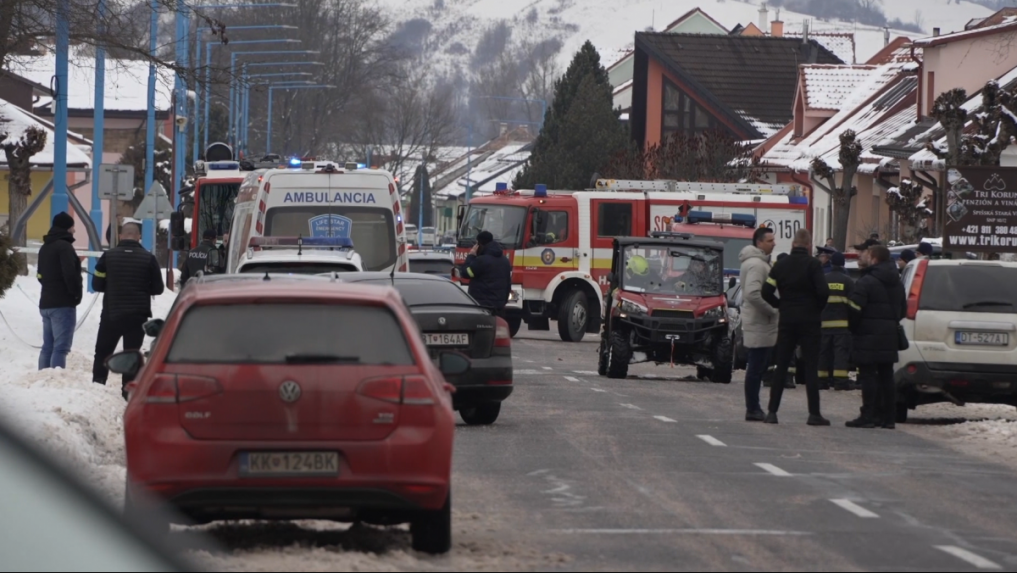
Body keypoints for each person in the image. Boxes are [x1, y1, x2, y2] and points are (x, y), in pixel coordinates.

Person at [762, 228, 830, 426]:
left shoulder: (780, 265)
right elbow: (823, 292)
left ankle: (772, 412)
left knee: (781, 365)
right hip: (810, 321)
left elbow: (766, 291)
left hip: (787, 319)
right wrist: (816, 309)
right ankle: (814, 413)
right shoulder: (813, 265)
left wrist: (780, 305)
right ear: (809, 246)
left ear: (793, 245)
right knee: (810, 366)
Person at [92, 223, 165, 399]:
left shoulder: (108, 256)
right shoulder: (148, 259)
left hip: (112, 313)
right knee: (132, 352)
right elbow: (158, 288)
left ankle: (98, 384)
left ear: (121, 236)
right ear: (139, 236)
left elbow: (97, 284)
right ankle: (127, 389)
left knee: (103, 350)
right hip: (137, 315)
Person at [846, 245, 907, 429]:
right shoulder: (897, 283)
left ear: (874, 258)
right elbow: (903, 309)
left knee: (868, 375)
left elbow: (853, 309)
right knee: (887, 375)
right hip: (889, 335)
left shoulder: (866, 281)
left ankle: (868, 415)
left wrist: (854, 328)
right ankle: (888, 417)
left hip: (867, 335)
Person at [739, 227, 778, 422]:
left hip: (760, 323)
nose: (774, 243)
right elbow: (752, 294)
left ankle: (754, 407)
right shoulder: (756, 264)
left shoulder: (760, 263)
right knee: (755, 368)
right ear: (759, 243)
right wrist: (772, 309)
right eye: (770, 240)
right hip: (759, 323)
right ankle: (752, 408)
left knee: (758, 367)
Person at [37, 212, 83, 370]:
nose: (74, 230)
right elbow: (70, 275)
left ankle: (42, 379)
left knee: (47, 346)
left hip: (46, 302)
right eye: (72, 226)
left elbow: (40, 275)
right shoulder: (64, 247)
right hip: (63, 303)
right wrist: (75, 294)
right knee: (61, 348)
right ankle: (56, 380)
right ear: (67, 228)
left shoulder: (45, 247)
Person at [819, 252, 854, 392]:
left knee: (823, 352)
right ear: (843, 264)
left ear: (831, 263)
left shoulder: (823, 279)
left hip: (824, 324)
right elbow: (853, 305)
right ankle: (840, 382)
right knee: (840, 353)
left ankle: (821, 381)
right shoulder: (848, 281)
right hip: (842, 324)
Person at [460, 230, 512, 316]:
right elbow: (508, 284)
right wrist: (503, 302)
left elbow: (466, 273)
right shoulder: (505, 260)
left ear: (479, 244)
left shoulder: (481, 260)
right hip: (499, 307)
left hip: (482, 307)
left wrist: (471, 256)